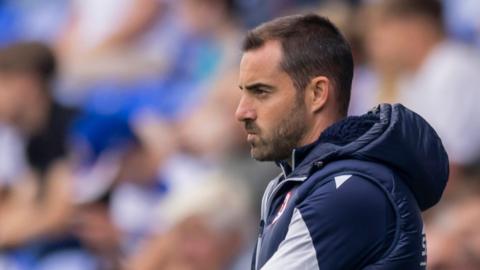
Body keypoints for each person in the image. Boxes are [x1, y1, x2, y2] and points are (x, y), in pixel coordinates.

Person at [235, 13, 449, 269]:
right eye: (243, 92)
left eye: (261, 91)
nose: (242, 111)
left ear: (317, 93)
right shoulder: (301, 183)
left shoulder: (348, 191)